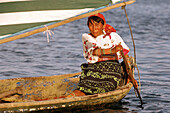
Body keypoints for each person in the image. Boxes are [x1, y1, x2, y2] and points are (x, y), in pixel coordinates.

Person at [67, 13, 130, 97]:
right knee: (83, 88)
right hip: (94, 69)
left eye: (97, 24)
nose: (94, 28)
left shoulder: (113, 36)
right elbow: (95, 51)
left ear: (103, 25)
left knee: (108, 85)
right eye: (91, 25)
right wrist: (112, 50)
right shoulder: (87, 38)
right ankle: (65, 99)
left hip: (111, 70)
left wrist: (129, 75)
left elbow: (125, 55)